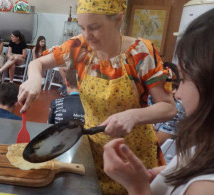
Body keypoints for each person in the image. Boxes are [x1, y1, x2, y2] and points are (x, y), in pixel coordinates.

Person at [18, 0, 177, 194]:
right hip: (93, 149)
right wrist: (35, 79)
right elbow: (38, 64)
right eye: (82, 27)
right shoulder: (79, 47)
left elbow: (168, 107)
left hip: (133, 154)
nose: (87, 35)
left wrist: (133, 116)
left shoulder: (140, 53)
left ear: (118, 20)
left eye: (94, 27)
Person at [103, 8, 214, 195]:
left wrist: (137, 187)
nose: (177, 94)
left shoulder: (204, 188)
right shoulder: (200, 151)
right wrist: (167, 173)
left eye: (185, 79)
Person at [147, 62, 185, 145]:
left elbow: (156, 143)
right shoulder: (146, 98)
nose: (175, 92)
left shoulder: (177, 109)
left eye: (176, 87)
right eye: (170, 86)